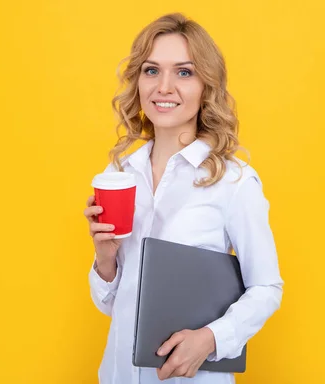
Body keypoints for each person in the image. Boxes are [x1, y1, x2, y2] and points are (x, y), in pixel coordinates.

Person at [83, 13, 284, 384]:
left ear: (207, 85)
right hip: (117, 375)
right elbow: (113, 306)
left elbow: (267, 288)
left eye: (184, 72)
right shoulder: (119, 176)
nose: (165, 87)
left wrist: (210, 340)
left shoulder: (232, 181)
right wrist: (105, 260)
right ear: (138, 82)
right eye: (151, 70)